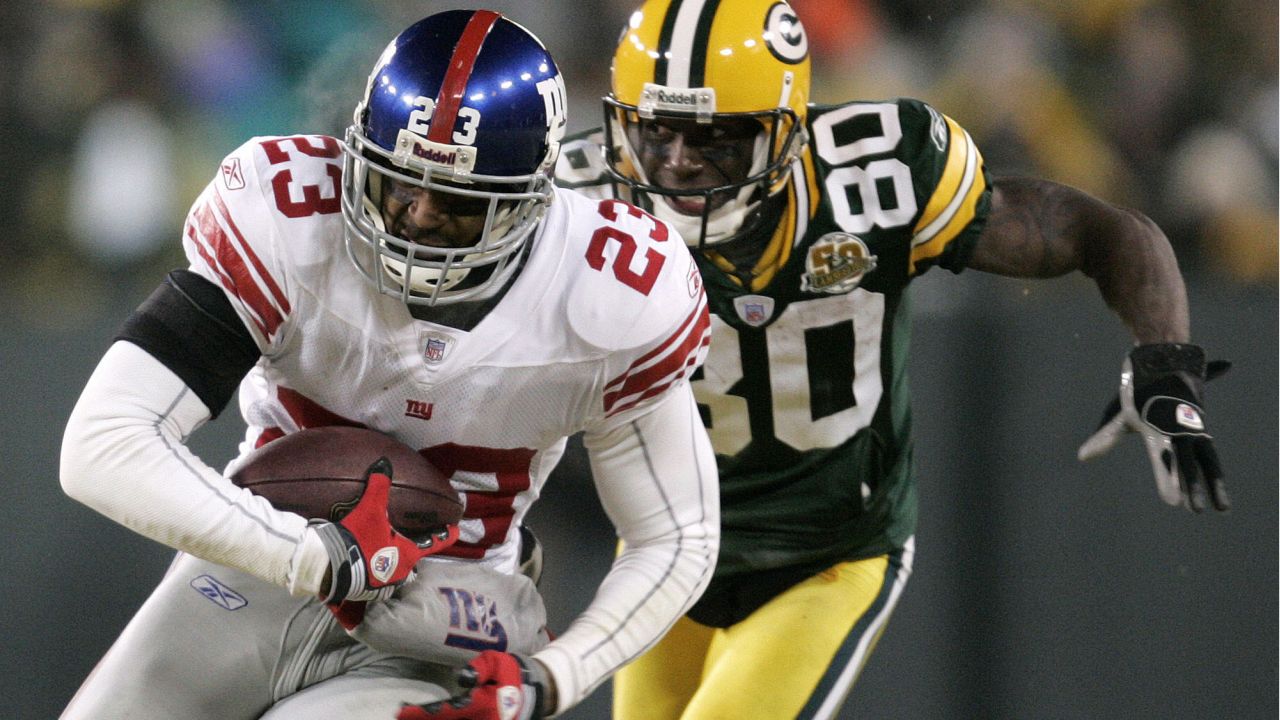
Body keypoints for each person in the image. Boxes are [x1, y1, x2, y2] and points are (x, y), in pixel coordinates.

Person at [553, 0, 1231, 718]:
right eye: (655, 132)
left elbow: (1101, 231)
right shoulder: (577, 201)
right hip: (668, 544)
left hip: (824, 553)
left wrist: (1163, 362)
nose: (679, 164)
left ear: (786, 132)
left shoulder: (876, 179)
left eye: (715, 138)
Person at [59, 10, 719, 720]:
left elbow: (678, 535)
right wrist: (312, 556)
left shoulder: (611, 292)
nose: (420, 217)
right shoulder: (284, 217)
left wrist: (556, 675)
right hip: (254, 566)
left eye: (459, 203)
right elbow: (103, 443)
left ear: (533, 200)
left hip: (447, 617)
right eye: (398, 184)